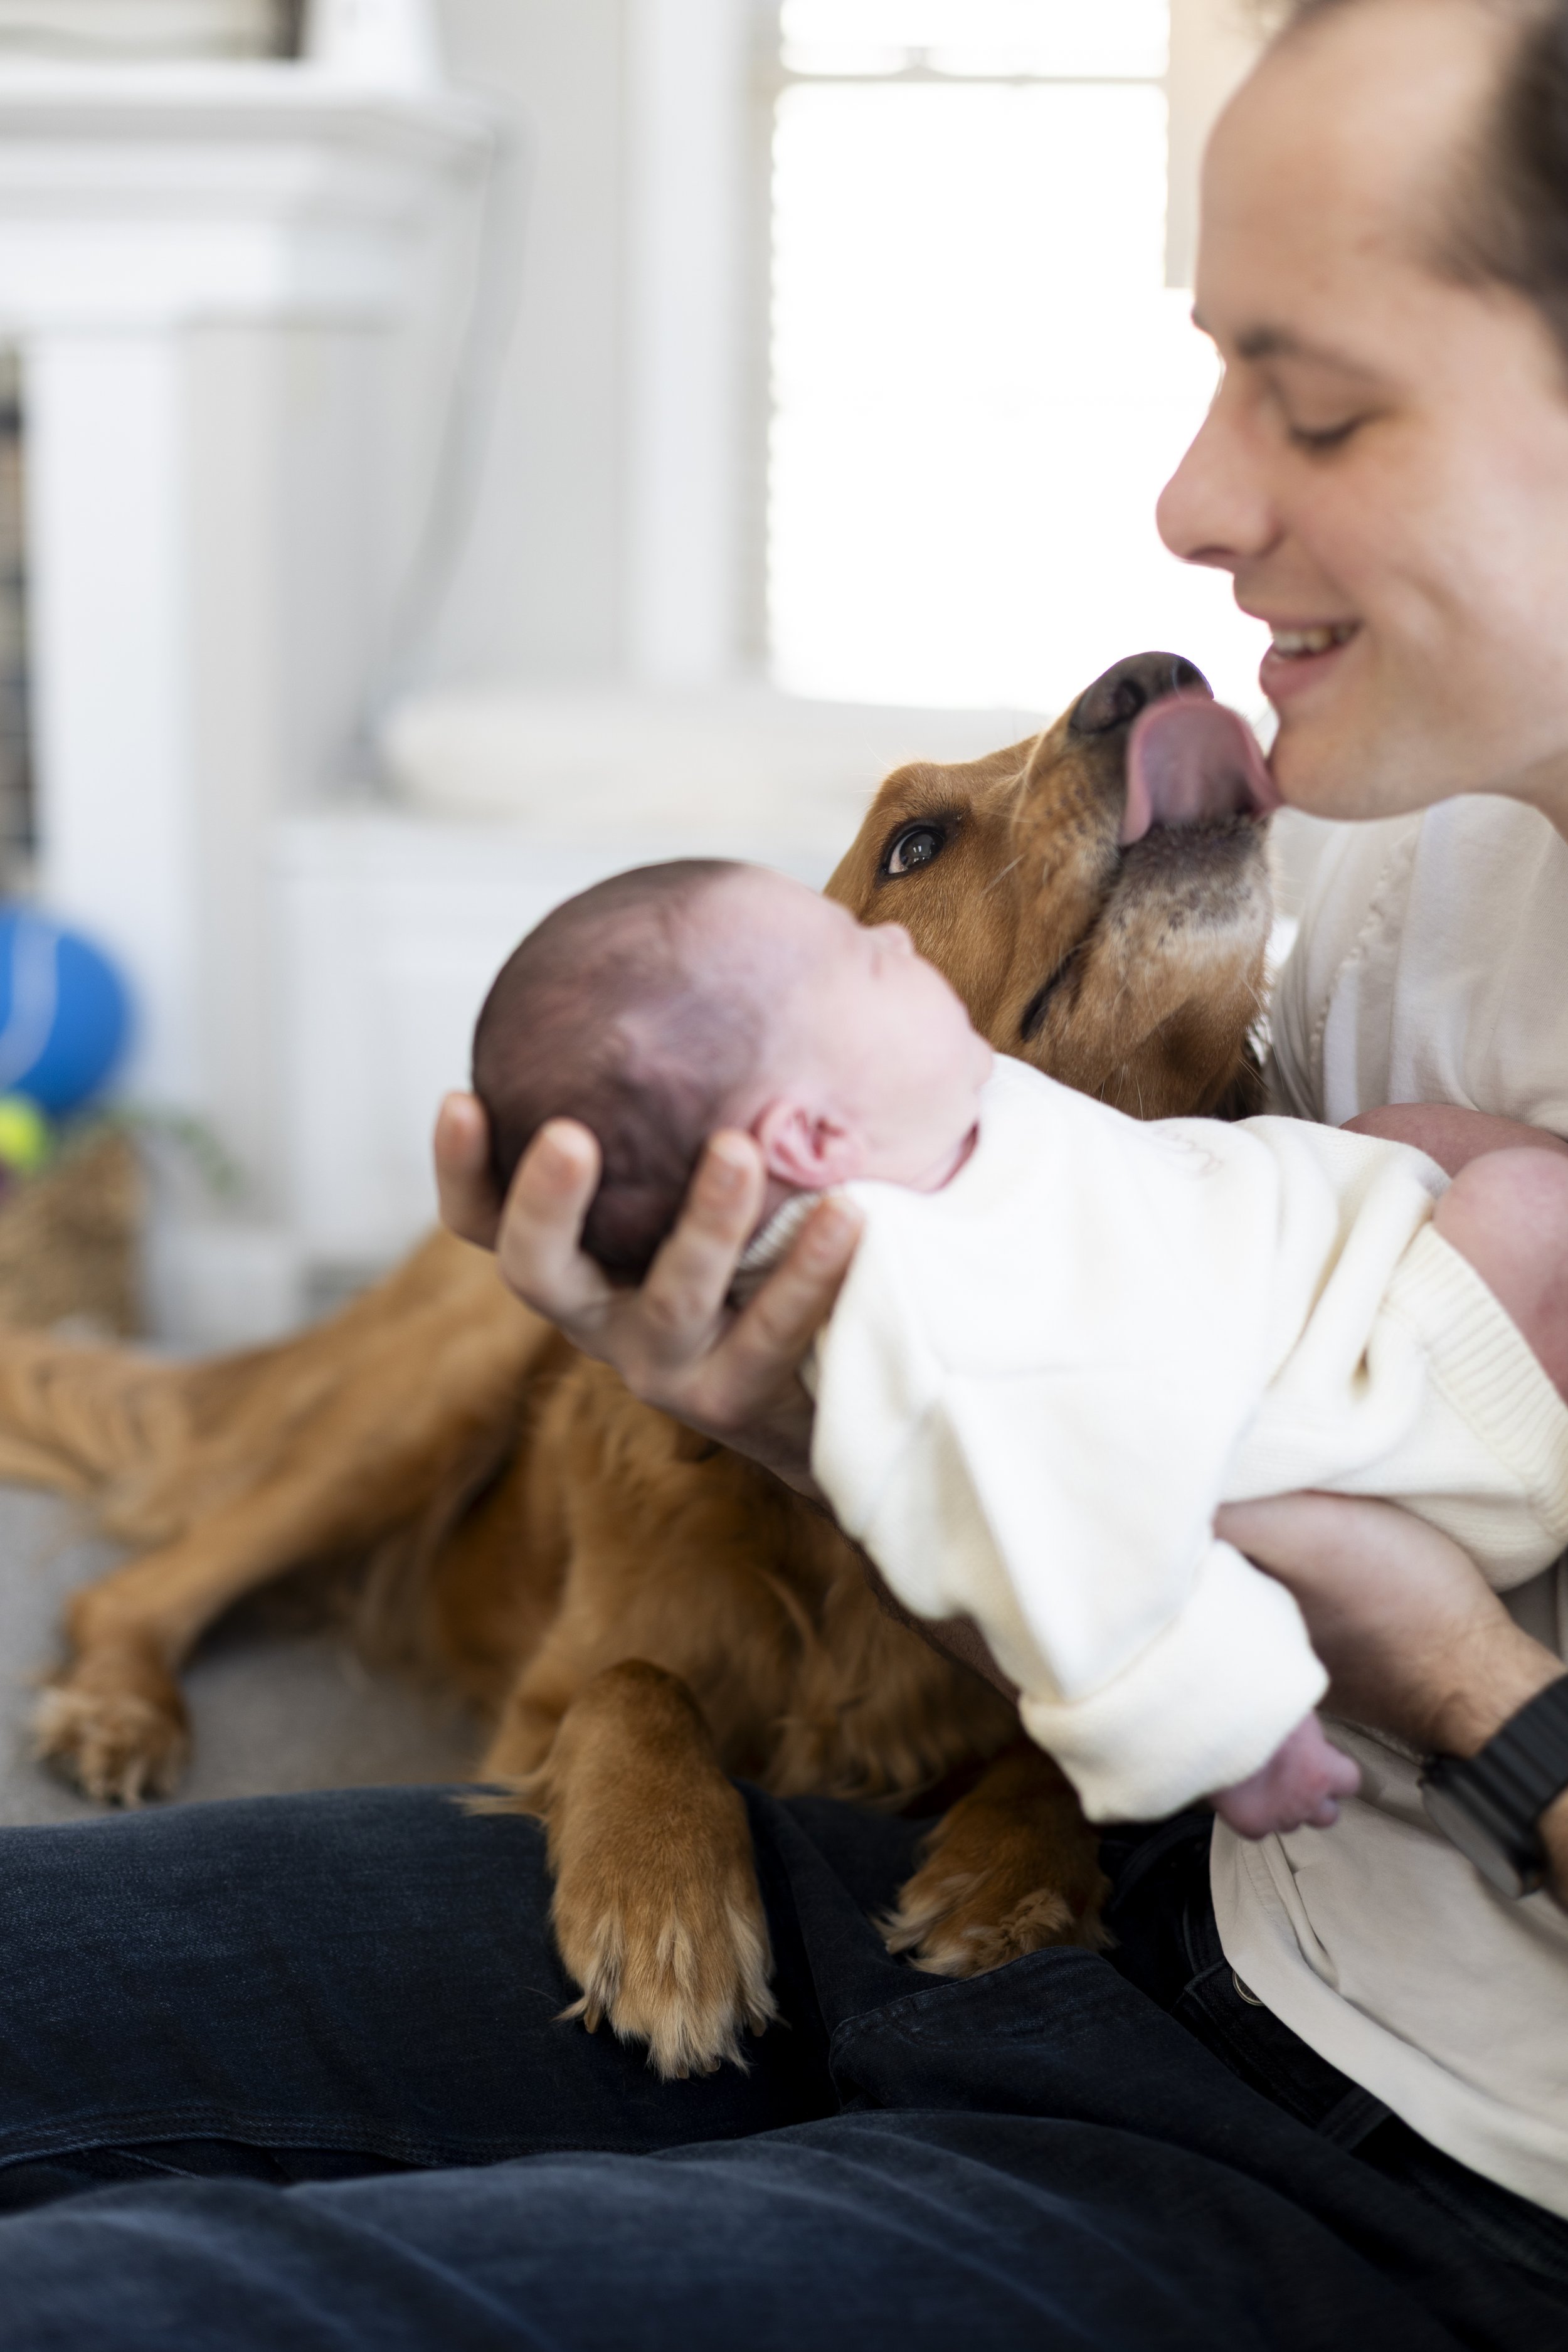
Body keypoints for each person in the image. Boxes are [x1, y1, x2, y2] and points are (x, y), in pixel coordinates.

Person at [3, 0, 1568, 2341]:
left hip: (1424, 2185)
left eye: (1317, 403)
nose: (1186, 507)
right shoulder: (1355, 863)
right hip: (1120, 1922)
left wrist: (1428, 1657)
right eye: (1215, 374)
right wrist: (789, 1405)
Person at [470, 852, 1568, 1837]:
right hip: (1406, 1419)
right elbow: (1077, 1553)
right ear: (812, 1133)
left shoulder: (927, 1119)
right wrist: (1235, 1734)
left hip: (1337, 1280)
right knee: (1526, 1204)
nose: (899, 945)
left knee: (1394, 1144)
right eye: (865, 956)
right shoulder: (938, 1325)